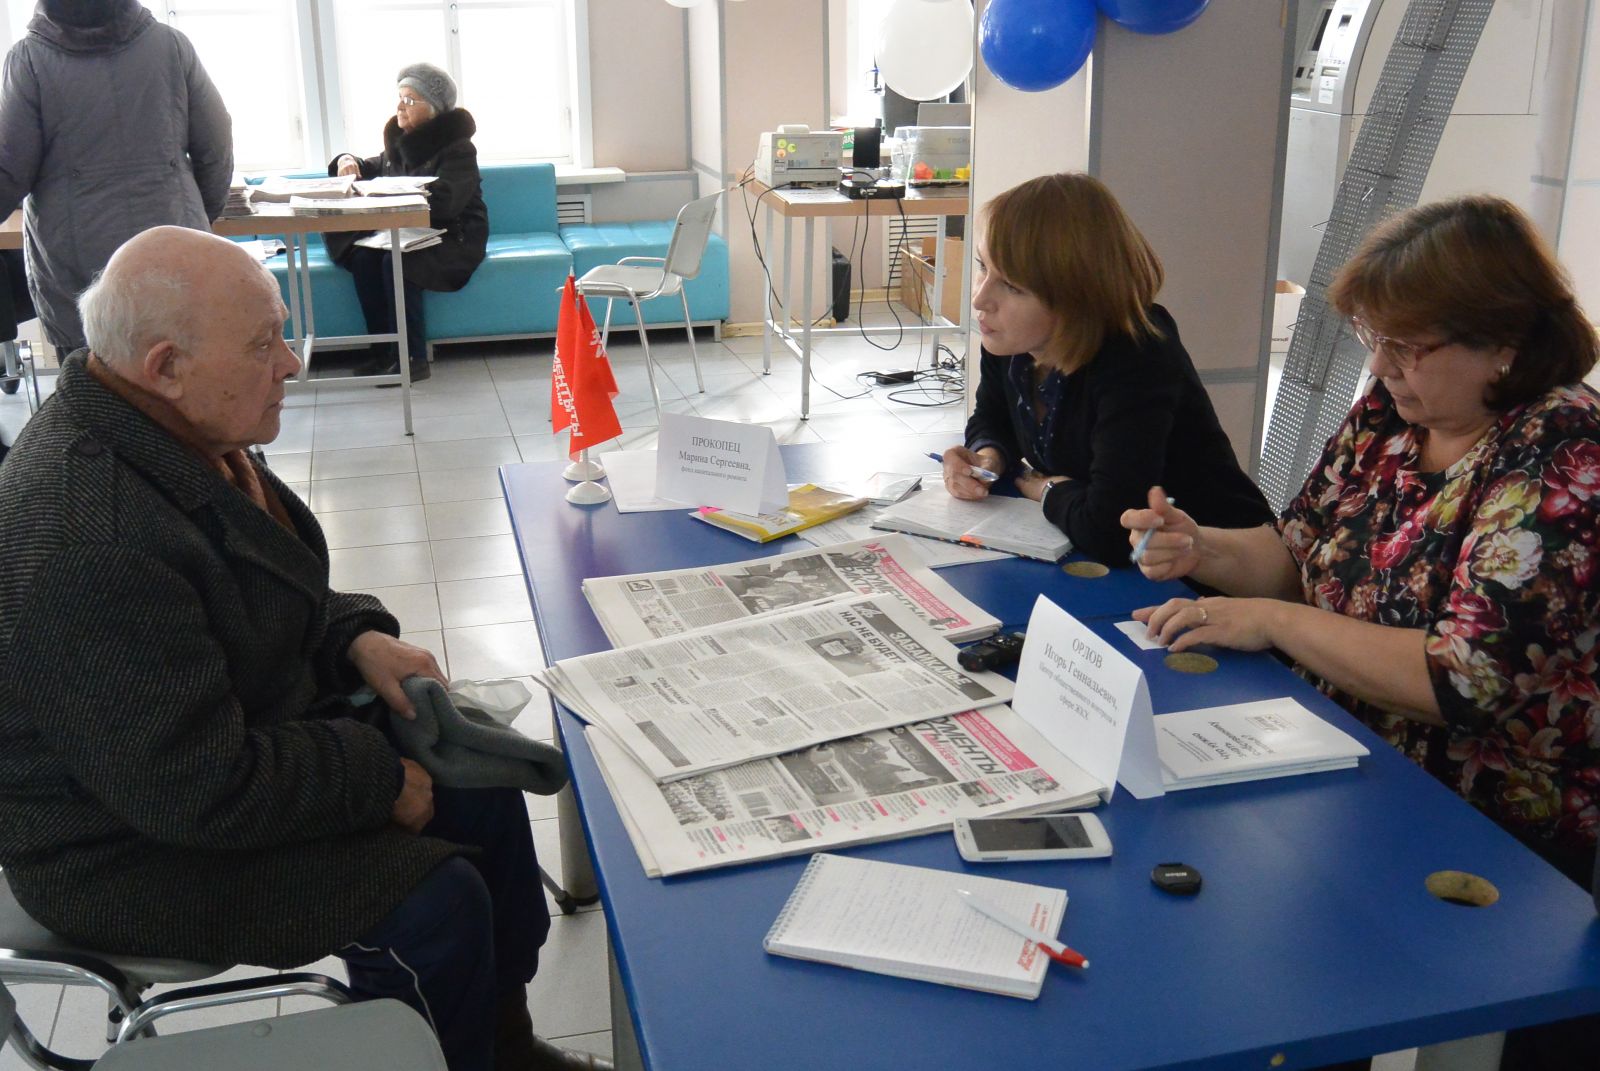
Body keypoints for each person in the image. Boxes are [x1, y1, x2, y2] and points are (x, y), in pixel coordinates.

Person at [0, 227, 606, 1071]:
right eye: (263, 345)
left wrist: (353, 636)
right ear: (166, 365)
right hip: (120, 843)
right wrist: (377, 775)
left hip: (216, 746)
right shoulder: (90, 540)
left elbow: (256, 584)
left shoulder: (167, 423)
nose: (291, 363)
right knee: (435, 903)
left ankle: (503, 1045)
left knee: (483, 781)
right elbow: (193, 788)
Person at [1126, 195, 1599, 1071]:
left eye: (1408, 345)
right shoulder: (1391, 412)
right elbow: (1297, 557)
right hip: (1349, 765)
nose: (1381, 366)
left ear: (1503, 339)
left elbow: (1461, 678)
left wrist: (1273, 620)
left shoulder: (1562, 450)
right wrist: (1204, 548)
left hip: (1490, 829)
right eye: (1373, 339)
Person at [942, 172, 1273, 564]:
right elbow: (993, 418)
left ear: (1075, 294)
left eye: (1012, 286)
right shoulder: (1012, 340)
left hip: (1216, 567)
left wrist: (1046, 489)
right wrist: (987, 458)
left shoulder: (1137, 353)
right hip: (1120, 564)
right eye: (983, 267)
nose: (980, 299)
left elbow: (1113, 530)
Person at [0, 0, 232, 354]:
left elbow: (8, 170)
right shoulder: (170, 46)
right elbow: (216, 144)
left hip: (77, 268)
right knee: (181, 368)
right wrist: (197, 217)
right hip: (172, 246)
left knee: (91, 376)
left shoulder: (29, 60)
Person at [326, 62, 488, 384]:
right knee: (364, 257)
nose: (400, 106)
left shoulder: (458, 149)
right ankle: (384, 352)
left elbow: (447, 203)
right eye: (399, 98)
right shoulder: (400, 143)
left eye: (410, 100)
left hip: (452, 235)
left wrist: (397, 194)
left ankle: (412, 358)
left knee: (396, 261)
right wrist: (347, 160)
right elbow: (370, 167)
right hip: (408, 231)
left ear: (434, 109)